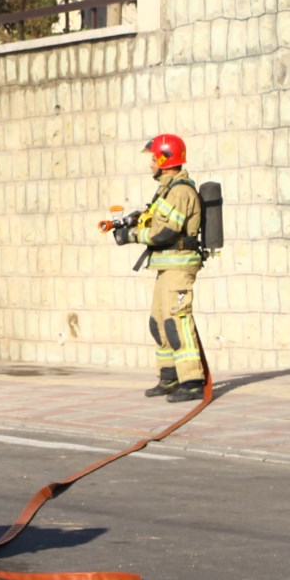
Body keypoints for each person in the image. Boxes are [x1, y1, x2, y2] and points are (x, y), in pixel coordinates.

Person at [112, 134, 206, 402]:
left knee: (178, 322)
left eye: (154, 158)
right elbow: (154, 223)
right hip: (165, 267)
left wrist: (131, 237)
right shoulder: (166, 190)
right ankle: (169, 377)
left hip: (179, 266)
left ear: (166, 159)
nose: (150, 164)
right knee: (159, 323)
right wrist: (131, 224)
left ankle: (192, 381)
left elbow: (165, 233)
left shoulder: (180, 192)